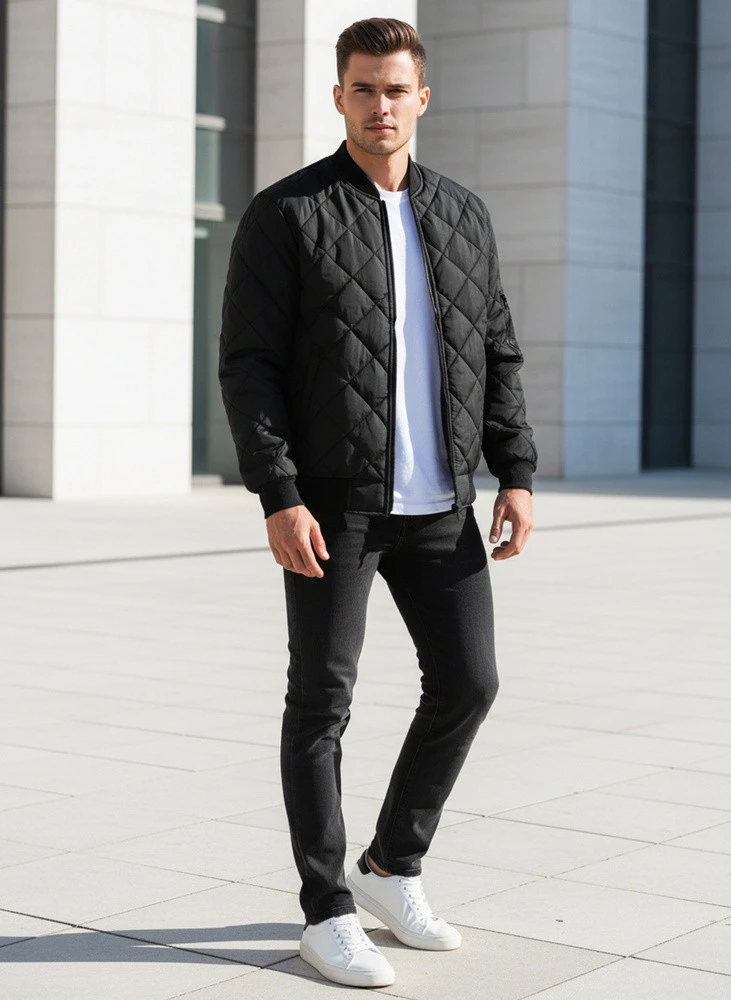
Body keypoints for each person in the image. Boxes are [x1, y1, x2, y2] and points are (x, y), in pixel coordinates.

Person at [218, 16, 537, 990]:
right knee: (322, 702)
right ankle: (325, 910)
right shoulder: (288, 213)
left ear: (422, 98)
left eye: (396, 89)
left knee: (470, 682)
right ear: (339, 97)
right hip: (334, 506)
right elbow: (249, 366)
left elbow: (497, 351)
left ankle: (392, 867)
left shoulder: (462, 214)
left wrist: (516, 471)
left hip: (442, 505)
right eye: (363, 88)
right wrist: (278, 493)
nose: (381, 105)